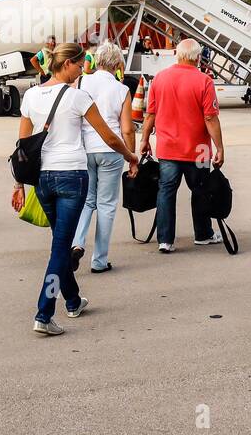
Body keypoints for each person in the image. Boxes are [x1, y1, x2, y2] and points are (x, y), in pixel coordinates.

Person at [14, 43, 139, 336]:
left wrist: (18, 183)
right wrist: (130, 156)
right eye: (81, 64)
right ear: (67, 64)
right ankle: (44, 312)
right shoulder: (78, 97)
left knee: (61, 241)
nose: (84, 69)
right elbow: (108, 136)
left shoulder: (31, 95)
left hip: (43, 179)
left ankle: (72, 300)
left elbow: (22, 147)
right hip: (71, 177)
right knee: (60, 248)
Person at [138, 38, 226, 252]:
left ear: (177, 55)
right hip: (199, 148)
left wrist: (144, 139)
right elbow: (210, 118)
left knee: (166, 191)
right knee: (200, 190)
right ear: (197, 57)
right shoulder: (204, 81)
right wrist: (220, 147)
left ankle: (165, 240)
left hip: (168, 147)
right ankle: (203, 233)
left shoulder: (159, 79)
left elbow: (150, 113)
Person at [71, 42, 135, 274]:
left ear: (96, 61)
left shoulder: (81, 81)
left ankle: (77, 242)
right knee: (106, 205)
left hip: (85, 149)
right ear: (118, 64)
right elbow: (127, 129)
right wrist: (132, 157)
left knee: (87, 201)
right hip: (111, 151)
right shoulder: (122, 90)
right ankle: (99, 260)